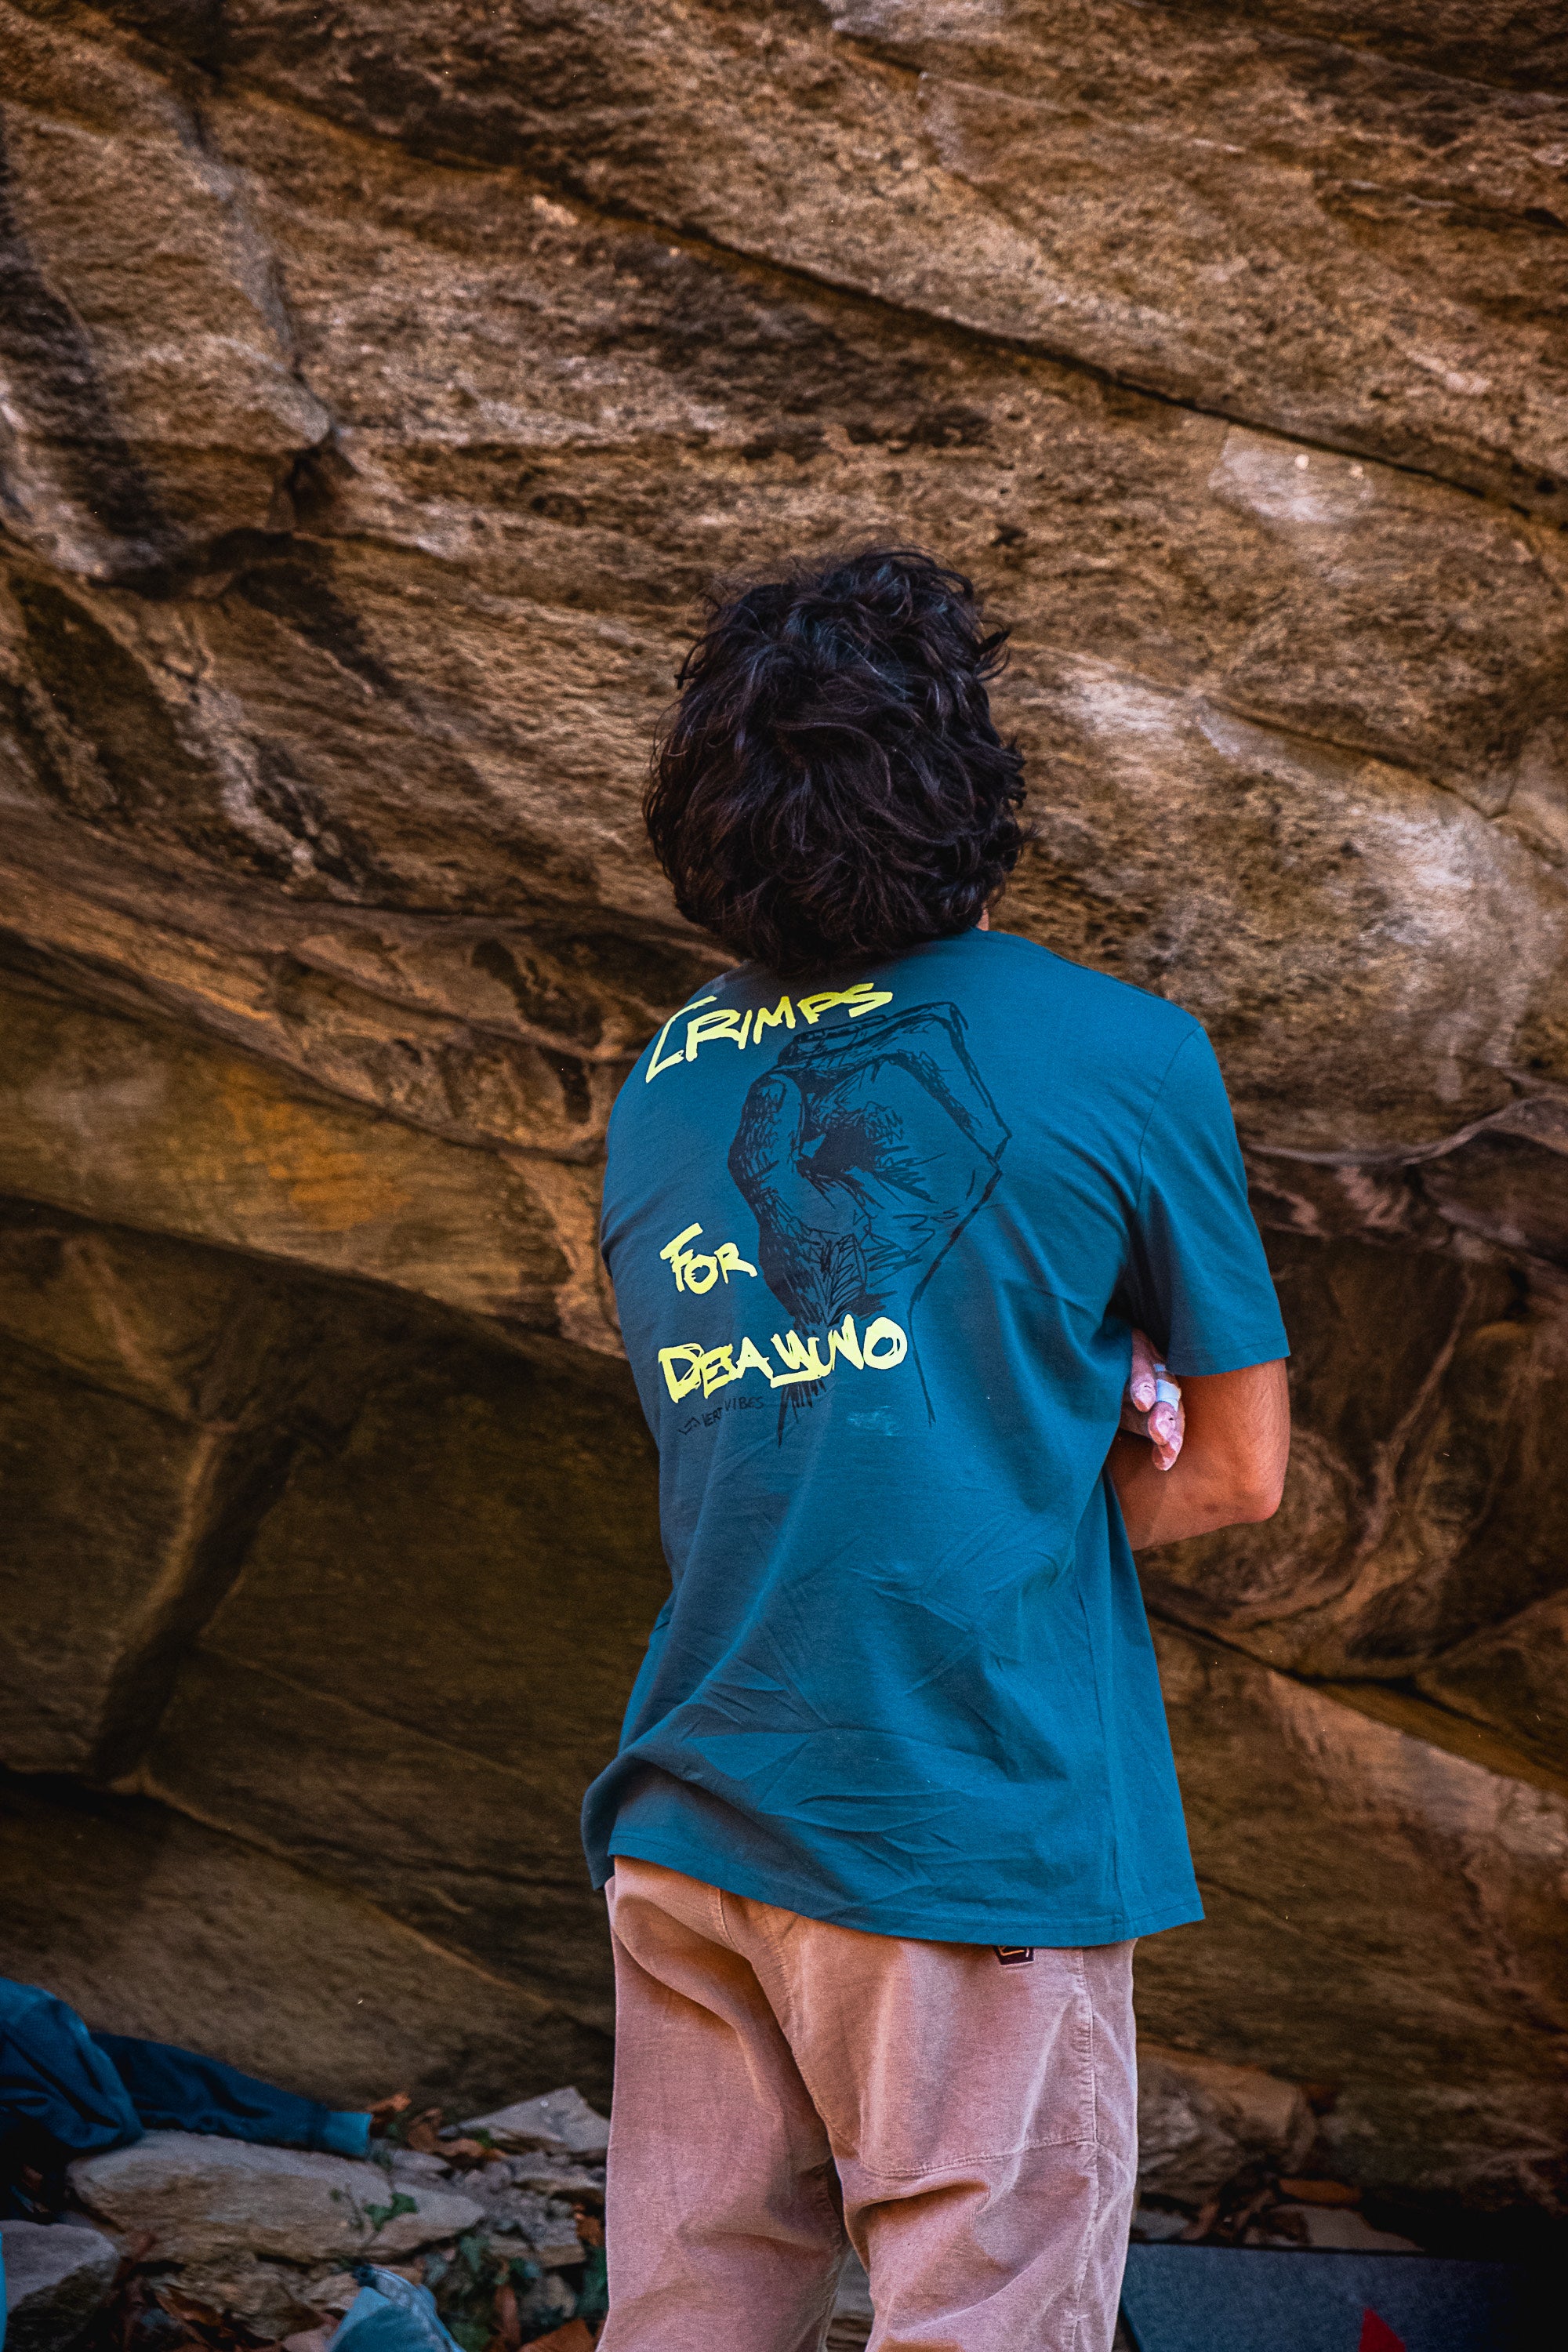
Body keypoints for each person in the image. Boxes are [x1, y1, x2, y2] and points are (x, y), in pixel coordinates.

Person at [582, 548, 1290, 2351]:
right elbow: (1235, 1469)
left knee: (686, 2321)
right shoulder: (1124, 1052)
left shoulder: (668, 1075)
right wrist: (1051, 1430)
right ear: (972, 791)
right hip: (957, 1822)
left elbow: (791, 1433)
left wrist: (1006, 1392)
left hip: (694, 1812)